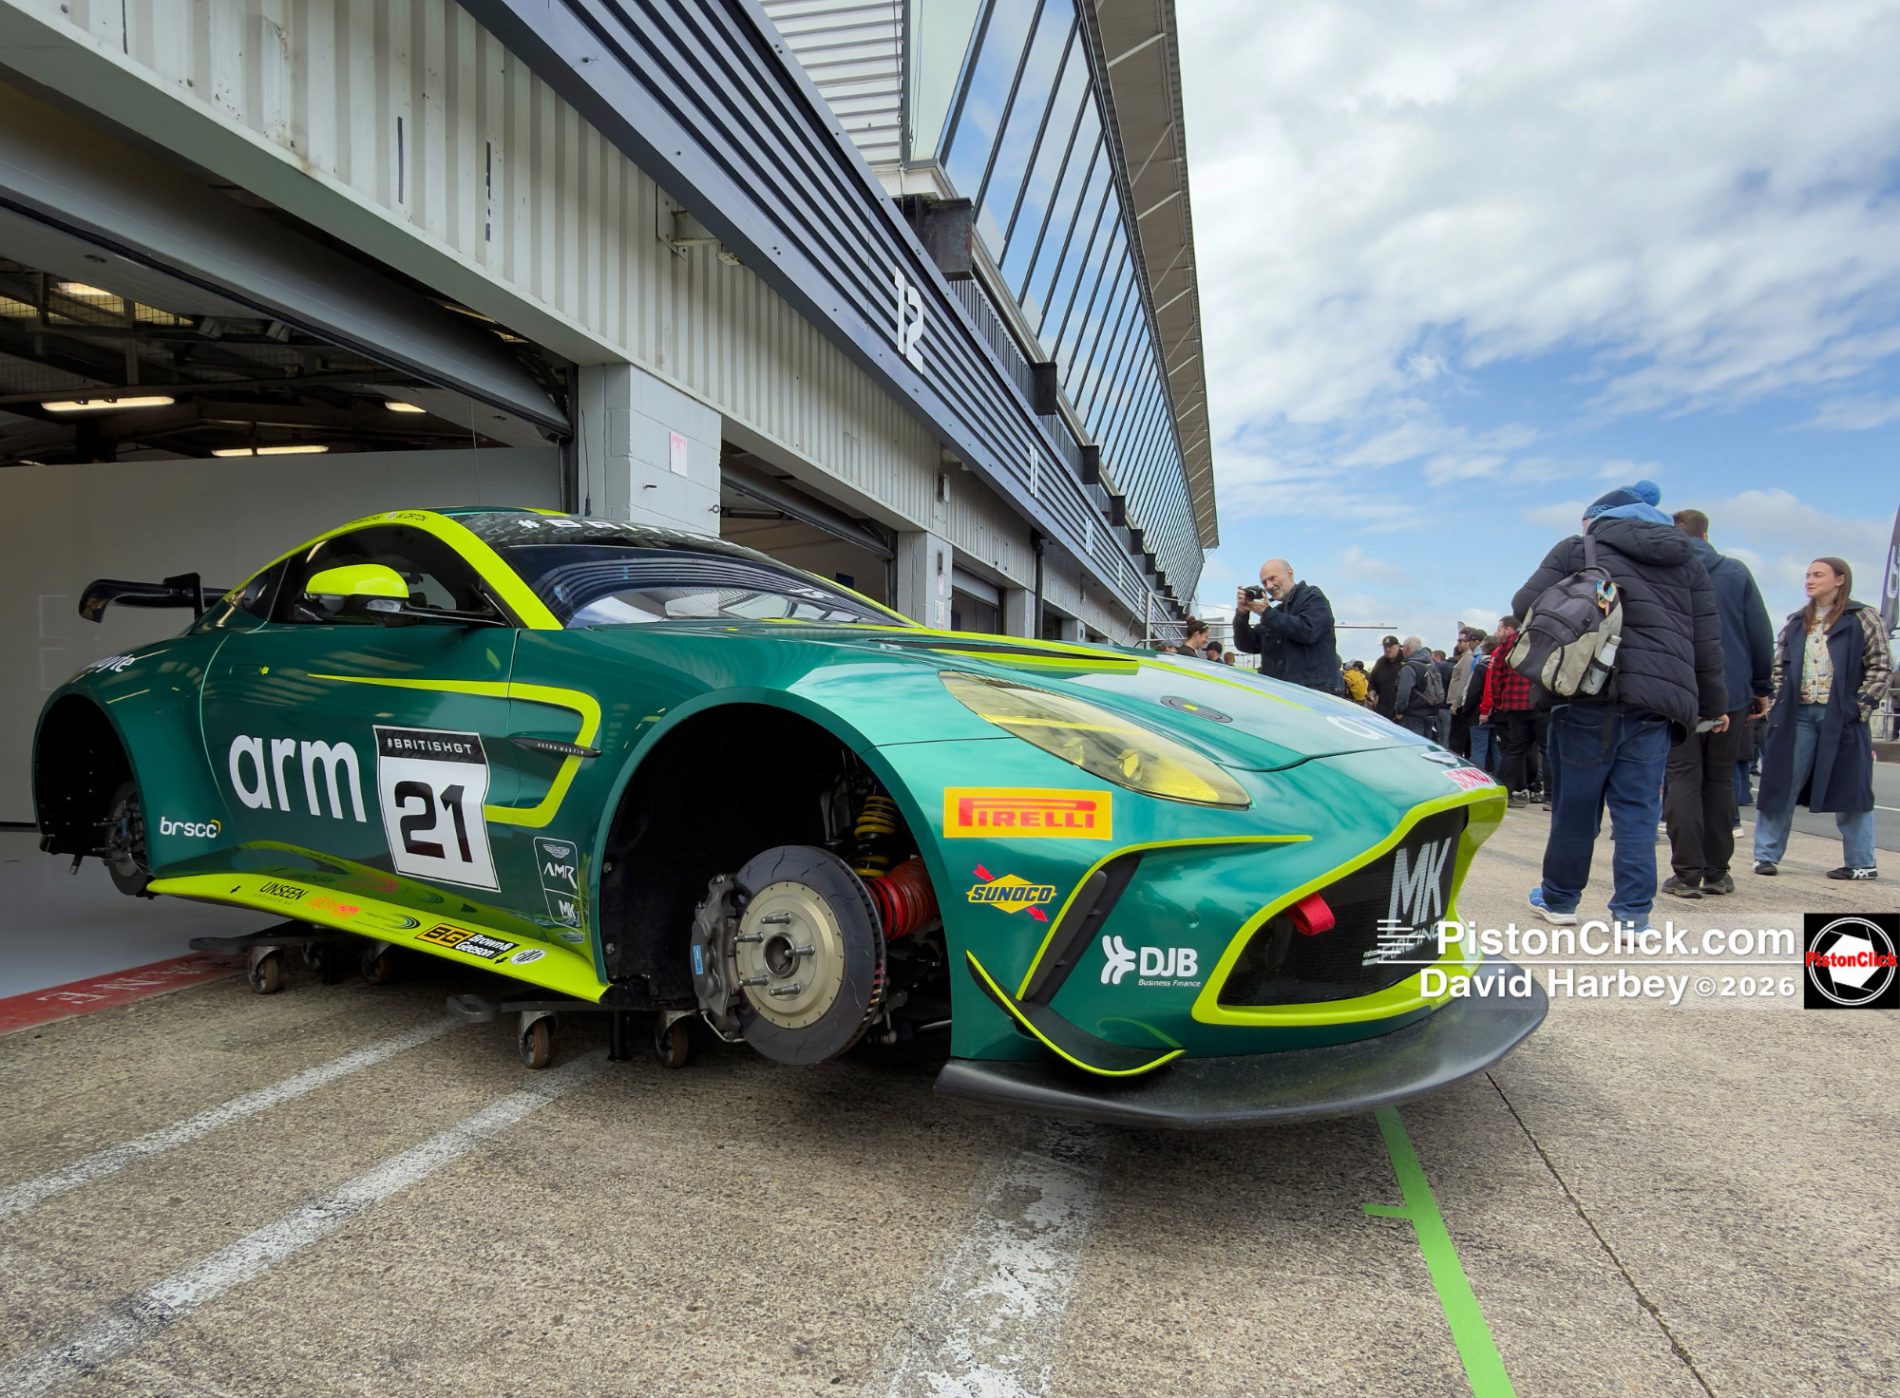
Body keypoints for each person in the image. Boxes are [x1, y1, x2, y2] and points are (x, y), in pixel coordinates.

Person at [1514, 481, 1726, 936]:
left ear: (1598, 517)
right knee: (1638, 812)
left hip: (1585, 694)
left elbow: (1522, 604)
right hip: (1656, 703)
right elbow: (1706, 640)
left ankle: (1560, 899)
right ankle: (1632, 914)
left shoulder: (1578, 548)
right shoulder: (1686, 558)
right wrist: (1711, 705)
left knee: (1576, 806)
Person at [1752, 557, 1891, 880]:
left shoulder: (1863, 617)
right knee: (1780, 783)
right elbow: (1779, 667)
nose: (1809, 580)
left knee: (1851, 786)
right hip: (1795, 715)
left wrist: (1860, 707)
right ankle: (1765, 855)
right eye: (1807, 574)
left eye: (1818, 574)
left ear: (1840, 580)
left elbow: (1881, 665)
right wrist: (1776, 703)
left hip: (1842, 715)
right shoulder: (1797, 621)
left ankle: (1861, 862)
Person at [1661, 509, 1774, 898]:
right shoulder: (1735, 571)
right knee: (1720, 779)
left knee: (1682, 777)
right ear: (1706, 534)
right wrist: (1761, 686)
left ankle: (1686, 872)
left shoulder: (1663, 571)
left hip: (1679, 689)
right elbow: (1760, 631)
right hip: (1733, 689)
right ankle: (1718, 872)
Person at [1233, 559, 1343, 692]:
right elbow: (1247, 645)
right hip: (1281, 695)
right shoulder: (1275, 613)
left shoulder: (1312, 597)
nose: (1268, 586)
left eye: (1273, 578)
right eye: (1264, 583)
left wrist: (1267, 614)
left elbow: (1308, 631)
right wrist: (1242, 614)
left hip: (1313, 694)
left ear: (1289, 574)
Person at [1478, 618, 1537, 804]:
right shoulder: (1544, 640)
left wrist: (1497, 702)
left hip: (1514, 705)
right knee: (1546, 750)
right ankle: (1549, 794)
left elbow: (1495, 677)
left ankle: (1507, 791)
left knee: (1515, 749)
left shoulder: (1507, 645)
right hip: (1539, 703)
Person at [1393, 636, 1444, 738]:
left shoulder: (1409, 668)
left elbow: (1403, 693)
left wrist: (1399, 710)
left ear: (1407, 648)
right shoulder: (1431, 664)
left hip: (1413, 715)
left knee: (1412, 747)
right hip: (1430, 713)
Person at [1447, 627, 1486, 757]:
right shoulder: (1467, 657)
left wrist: (1456, 704)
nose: (1459, 643)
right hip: (1463, 704)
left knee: (1457, 740)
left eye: (1461, 640)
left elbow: (1464, 682)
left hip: (1461, 705)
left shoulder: (1469, 657)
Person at [1368, 635, 1403, 718]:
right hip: (1382, 710)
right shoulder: (1380, 662)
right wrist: (1372, 693)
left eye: (1390, 647)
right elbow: (1372, 682)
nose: (1387, 649)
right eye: (1385, 647)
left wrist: (1402, 710)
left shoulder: (1406, 662)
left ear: (1398, 646)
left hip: (1401, 713)